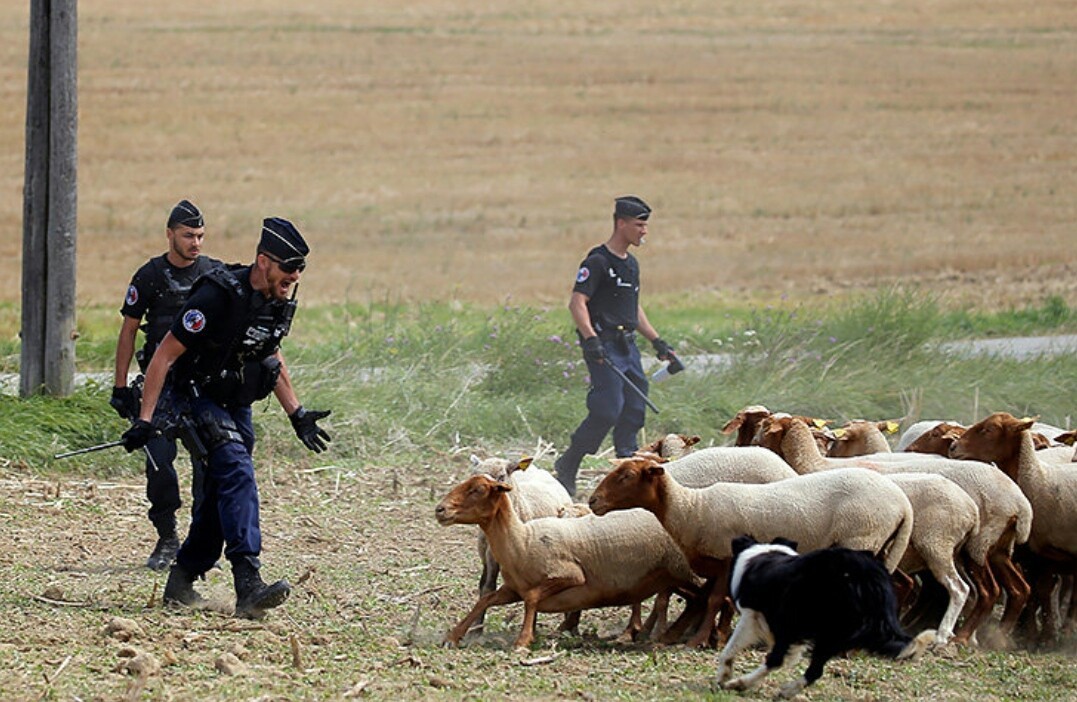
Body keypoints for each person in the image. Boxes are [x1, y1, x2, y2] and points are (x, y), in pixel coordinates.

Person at [121, 216, 332, 619]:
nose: (291, 281)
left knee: (221, 494)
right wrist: (146, 421)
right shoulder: (217, 295)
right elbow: (164, 355)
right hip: (194, 397)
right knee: (237, 471)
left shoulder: (277, 298)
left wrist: (297, 413)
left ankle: (181, 579)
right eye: (286, 272)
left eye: (297, 275)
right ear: (264, 261)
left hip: (236, 401)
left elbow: (269, 354)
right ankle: (248, 581)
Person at [111, 199, 221, 571]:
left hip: (201, 386)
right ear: (170, 234)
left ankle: (200, 544)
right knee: (159, 463)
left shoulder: (214, 274)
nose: (196, 243)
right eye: (189, 235)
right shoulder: (150, 275)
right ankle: (167, 537)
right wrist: (120, 386)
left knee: (209, 466)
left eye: (201, 236)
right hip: (159, 388)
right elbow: (128, 331)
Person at [553, 196, 678, 496]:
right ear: (621, 223)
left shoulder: (631, 265)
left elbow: (633, 310)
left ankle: (627, 470)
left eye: (645, 225)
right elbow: (577, 302)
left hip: (627, 346)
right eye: (639, 225)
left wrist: (657, 341)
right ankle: (569, 463)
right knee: (608, 410)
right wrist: (591, 340)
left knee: (635, 408)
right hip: (603, 346)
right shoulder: (597, 262)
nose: (644, 231)